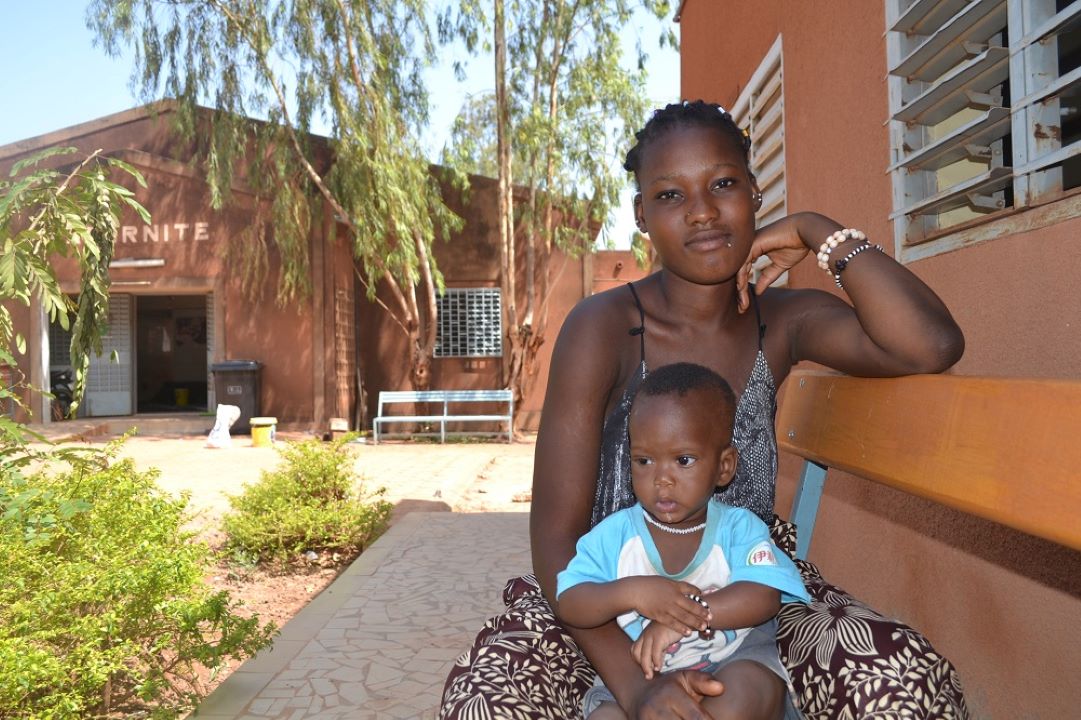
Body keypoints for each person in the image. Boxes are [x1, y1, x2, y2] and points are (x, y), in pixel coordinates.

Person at [440, 100, 969, 719]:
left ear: (753, 192)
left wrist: (819, 233)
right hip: (604, 597)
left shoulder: (782, 320)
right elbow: (556, 544)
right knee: (486, 701)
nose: (702, 211)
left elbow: (932, 344)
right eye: (669, 195)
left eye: (722, 184)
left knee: (898, 678)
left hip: (748, 589)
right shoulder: (604, 326)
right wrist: (637, 691)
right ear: (641, 214)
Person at [557, 362, 810, 720]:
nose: (662, 479)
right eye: (644, 460)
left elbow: (763, 595)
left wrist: (681, 620)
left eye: (683, 460)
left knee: (746, 690)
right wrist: (633, 592)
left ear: (724, 466)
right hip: (643, 681)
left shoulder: (739, 529)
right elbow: (570, 601)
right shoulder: (614, 536)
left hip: (730, 660)